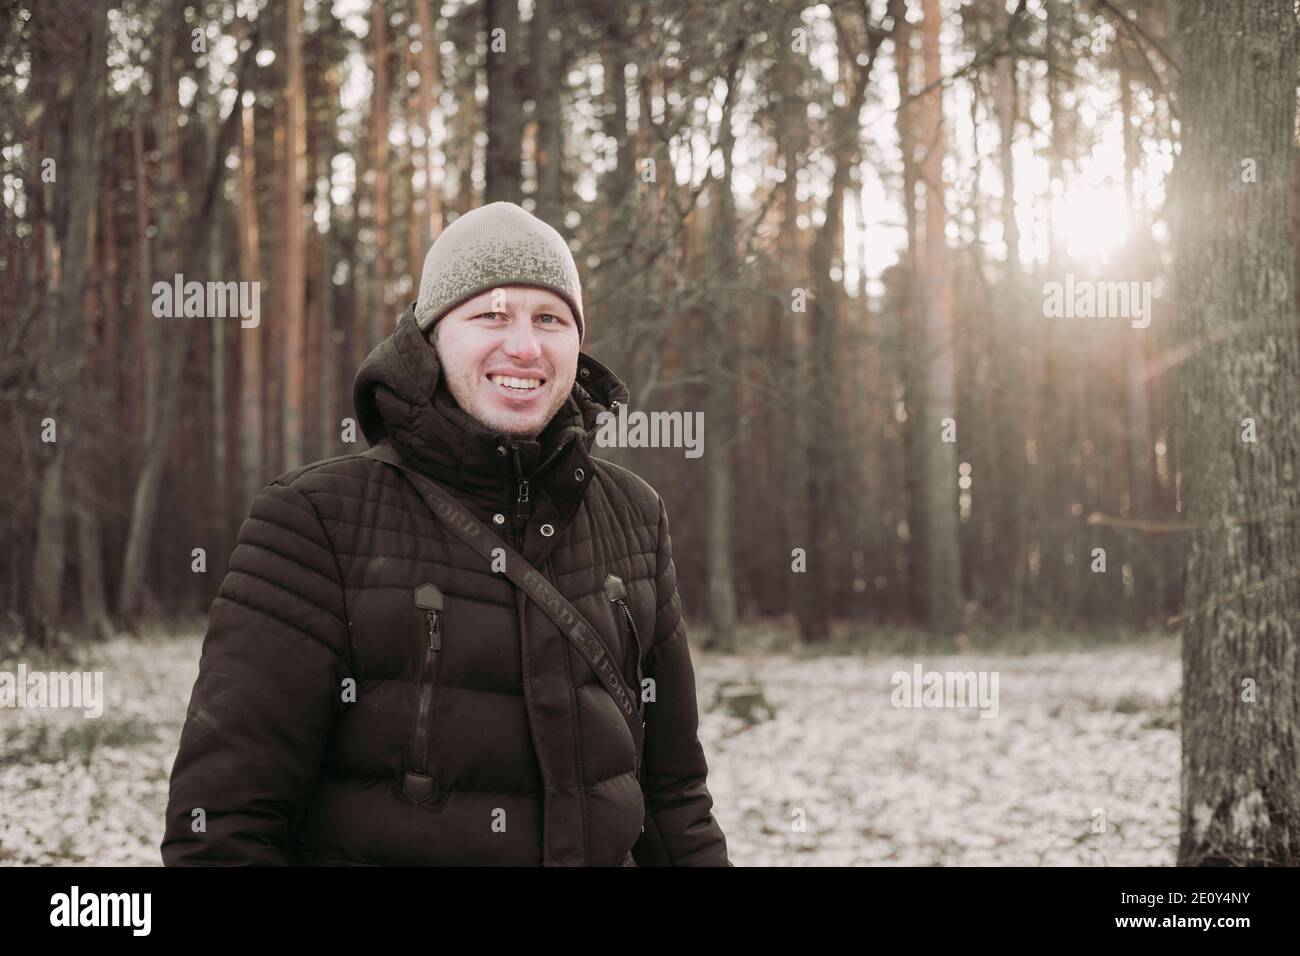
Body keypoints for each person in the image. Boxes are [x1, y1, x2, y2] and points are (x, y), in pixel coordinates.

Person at [160, 201, 731, 866]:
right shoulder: (316, 520)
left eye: (550, 319)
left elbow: (674, 797)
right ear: (431, 338)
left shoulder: (634, 516)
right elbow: (224, 826)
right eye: (492, 315)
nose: (525, 347)